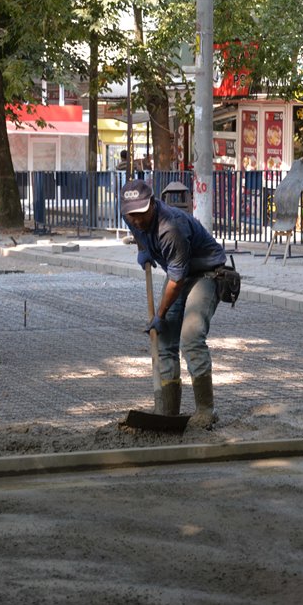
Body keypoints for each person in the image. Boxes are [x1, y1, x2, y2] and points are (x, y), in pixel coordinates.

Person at [121, 178, 226, 429]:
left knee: (190, 337)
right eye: (130, 214)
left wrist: (159, 314)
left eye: (141, 213)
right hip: (179, 273)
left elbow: (176, 282)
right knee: (165, 341)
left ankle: (205, 410)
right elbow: (137, 231)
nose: (136, 219)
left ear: (152, 204)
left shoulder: (171, 228)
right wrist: (143, 247)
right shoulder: (130, 216)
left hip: (205, 273)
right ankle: (166, 411)